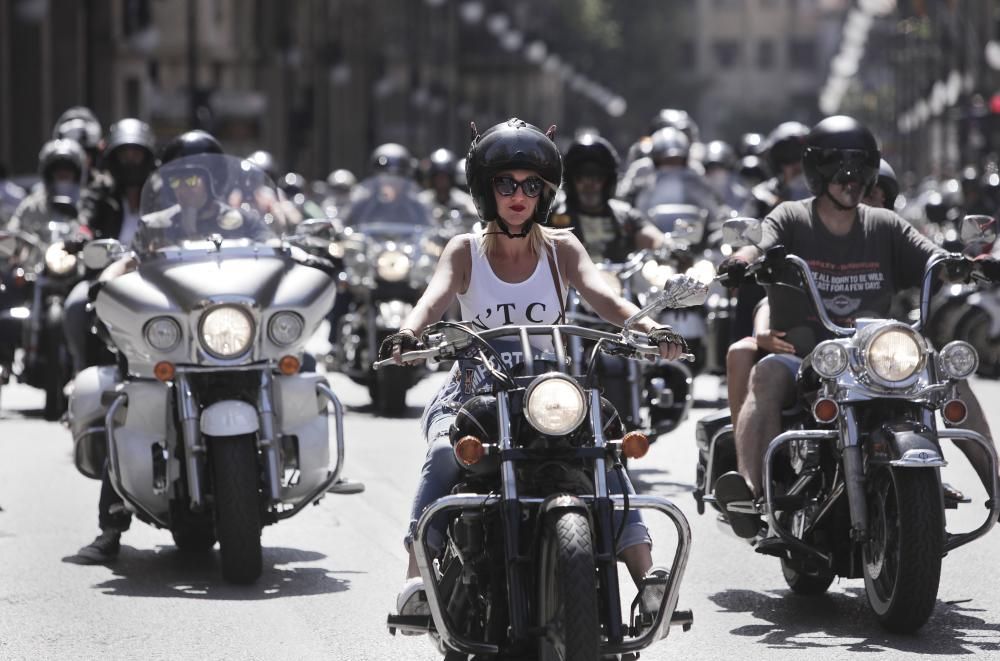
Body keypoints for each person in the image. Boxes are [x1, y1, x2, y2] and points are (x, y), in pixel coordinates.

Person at [391, 118, 687, 625]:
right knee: (443, 455)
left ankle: (648, 580)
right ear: (487, 191)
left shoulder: (562, 248)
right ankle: (415, 579)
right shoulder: (464, 251)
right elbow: (432, 299)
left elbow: (608, 297)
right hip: (475, 394)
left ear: (545, 193)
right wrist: (408, 333)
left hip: (549, 393)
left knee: (608, 452)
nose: (518, 195)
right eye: (506, 183)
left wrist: (652, 328)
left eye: (531, 185)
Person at [714, 115, 1000, 537]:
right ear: (818, 170)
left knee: (948, 376)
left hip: (875, 355)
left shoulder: (883, 224)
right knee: (766, 373)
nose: (849, 181)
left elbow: (934, 258)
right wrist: (742, 262)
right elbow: (758, 244)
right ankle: (751, 491)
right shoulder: (791, 218)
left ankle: (994, 480)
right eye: (838, 169)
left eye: (858, 169)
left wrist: (968, 266)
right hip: (808, 357)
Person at [74, 130, 272, 564]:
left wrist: (301, 257)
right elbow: (132, 259)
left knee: (290, 370)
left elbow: (273, 258)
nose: (188, 188)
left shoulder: (242, 221)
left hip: (230, 340)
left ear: (212, 181)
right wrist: (108, 278)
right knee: (134, 406)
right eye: (180, 181)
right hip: (171, 343)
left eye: (195, 179)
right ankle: (111, 527)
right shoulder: (156, 224)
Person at [64, 118, 158, 375]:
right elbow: (84, 218)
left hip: (153, 273)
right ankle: (80, 373)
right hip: (104, 274)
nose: (130, 161)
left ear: (147, 156)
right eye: (124, 154)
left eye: (135, 154)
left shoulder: (160, 192)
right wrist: (81, 235)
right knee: (74, 306)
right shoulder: (100, 189)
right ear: (113, 158)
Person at [549, 132, 664, 261]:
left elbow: (651, 236)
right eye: (581, 176)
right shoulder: (552, 214)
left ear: (608, 180)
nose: (589, 184)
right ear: (570, 180)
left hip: (618, 280)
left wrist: (667, 247)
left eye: (596, 176)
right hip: (565, 280)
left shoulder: (625, 216)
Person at [7, 139, 86, 236]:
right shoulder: (32, 206)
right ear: (48, 174)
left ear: (77, 173)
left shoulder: (87, 205)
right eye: (58, 169)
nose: (63, 173)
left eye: (68, 169)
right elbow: (13, 232)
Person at [417, 147, 477, 229]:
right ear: (432, 178)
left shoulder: (463, 202)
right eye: (438, 177)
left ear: (451, 178)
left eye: (444, 177)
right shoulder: (422, 201)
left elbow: (476, 218)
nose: (441, 181)